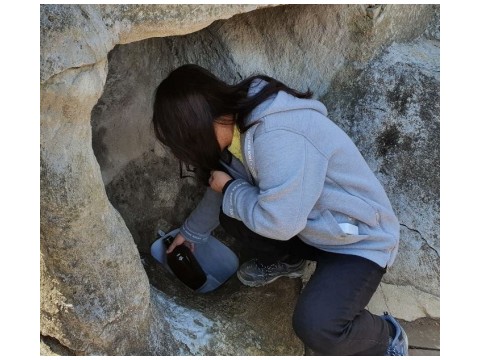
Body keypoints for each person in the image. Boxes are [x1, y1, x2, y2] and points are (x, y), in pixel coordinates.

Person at [151, 64, 408, 356]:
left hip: (357, 239)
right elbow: (220, 188)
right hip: (310, 229)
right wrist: (191, 234)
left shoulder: (276, 134)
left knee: (317, 326)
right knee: (230, 208)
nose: (180, 153)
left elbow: (277, 222)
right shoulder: (232, 132)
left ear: (196, 127)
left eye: (180, 143)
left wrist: (230, 190)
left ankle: (386, 336)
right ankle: (290, 261)